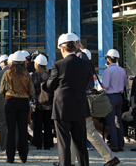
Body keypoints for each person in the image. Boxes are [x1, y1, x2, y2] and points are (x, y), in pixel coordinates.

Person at [47, 33, 92, 166]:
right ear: (76, 46)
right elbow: (87, 83)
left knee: (64, 143)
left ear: (62, 48)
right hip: (80, 107)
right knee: (81, 143)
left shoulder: (58, 65)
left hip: (62, 108)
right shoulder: (85, 64)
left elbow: (51, 85)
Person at [70, 49, 121, 166]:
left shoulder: (82, 68)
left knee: (90, 131)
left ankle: (110, 157)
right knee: (73, 131)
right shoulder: (89, 68)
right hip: (89, 100)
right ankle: (70, 160)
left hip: (82, 102)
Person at [0, 51, 35, 163]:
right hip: (23, 102)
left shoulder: (7, 73)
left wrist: (5, 95)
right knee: (22, 130)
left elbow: (2, 89)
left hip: (10, 101)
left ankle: (10, 157)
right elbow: (31, 91)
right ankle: (23, 156)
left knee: (11, 130)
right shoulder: (27, 74)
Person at [102, 49, 127, 152]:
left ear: (108, 59)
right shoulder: (122, 70)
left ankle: (114, 145)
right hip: (119, 97)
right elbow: (125, 84)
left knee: (111, 122)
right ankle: (120, 144)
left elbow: (105, 85)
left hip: (110, 97)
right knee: (118, 121)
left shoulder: (108, 70)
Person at [31, 54, 53, 150]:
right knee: (48, 124)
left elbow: (32, 90)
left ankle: (38, 143)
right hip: (49, 104)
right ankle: (48, 144)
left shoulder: (34, 76)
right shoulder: (50, 75)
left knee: (38, 125)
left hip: (38, 103)